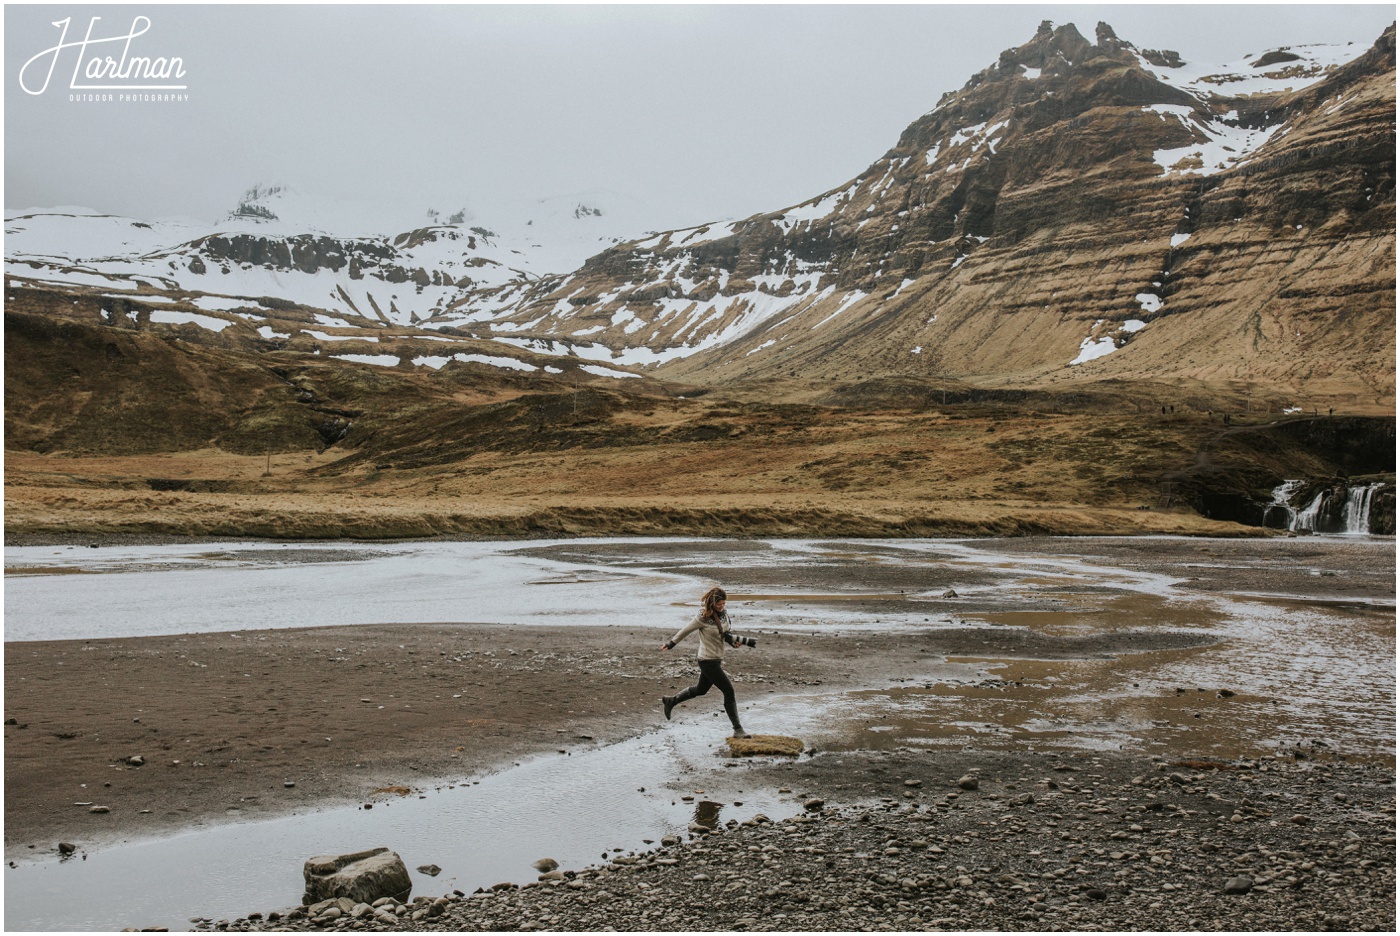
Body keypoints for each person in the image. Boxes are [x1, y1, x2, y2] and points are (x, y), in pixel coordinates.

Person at [660, 586, 750, 738]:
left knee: (701, 690)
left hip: (716, 658)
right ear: (712, 603)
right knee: (729, 691)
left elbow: (725, 633)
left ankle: (671, 701)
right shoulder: (702, 618)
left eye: (723, 604)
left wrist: (733, 642)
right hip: (707, 660)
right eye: (719, 604)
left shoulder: (724, 615)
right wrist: (671, 644)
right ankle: (738, 730)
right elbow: (685, 630)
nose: (722, 607)